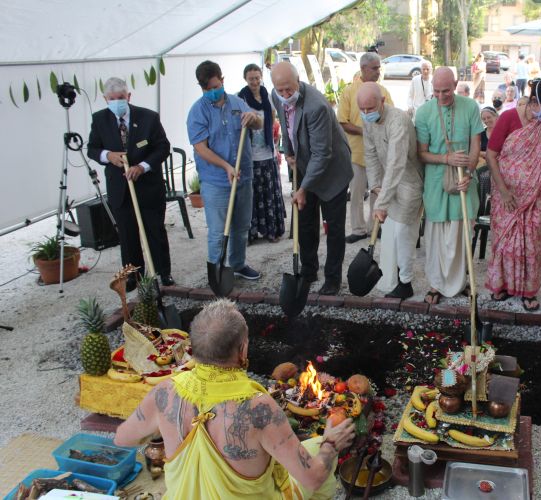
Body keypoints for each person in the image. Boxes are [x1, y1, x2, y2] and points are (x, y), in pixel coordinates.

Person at [114, 298, 355, 499]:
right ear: (243, 350)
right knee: (317, 451)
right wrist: (331, 444)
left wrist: (169, 429)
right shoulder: (258, 407)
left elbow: (123, 438)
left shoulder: (165, 392)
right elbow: (312, 478)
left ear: (192, 347)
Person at [271, 62, 353, 296]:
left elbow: (322, 154)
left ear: (299, 81)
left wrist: (303, 188)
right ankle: (308, 271)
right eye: (281, 90)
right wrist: (288, 151)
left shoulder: (316, 106)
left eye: (289, 89)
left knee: (333, 227)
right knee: (305, 222)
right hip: (305, 165)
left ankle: (333, 278)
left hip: (332, 171)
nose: (285, 95)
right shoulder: (276, 95)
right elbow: (287, 127)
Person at [88, 77, 173, 291]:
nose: (117, 101)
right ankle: (134, 275)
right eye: (112, 99)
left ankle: (163, 272)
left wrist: (143, 166)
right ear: (105, 99)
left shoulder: (148, 117)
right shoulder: (99, 120)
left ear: (129, 97)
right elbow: (92, 148)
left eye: (121, 98)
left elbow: (162, 147)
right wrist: (109, 156)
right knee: (127, 235)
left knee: (154, 230)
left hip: (148, 187)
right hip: (120, 189)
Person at [484, 80, 541, 311]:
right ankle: (503, 286)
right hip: (506, 195)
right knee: (506, 242)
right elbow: (490, 154)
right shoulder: (509, 118)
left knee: (532, 241)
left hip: (535, 193)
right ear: (534, 102)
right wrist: (505, 192)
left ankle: (528, 291)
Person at [187, 61, 264, 282]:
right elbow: (200, 148)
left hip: (243, 176)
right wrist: (226, 166)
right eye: (207, 89)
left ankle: (238, 265)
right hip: (216, 181)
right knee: (218, 231)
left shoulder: (238, 102)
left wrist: (254, 118)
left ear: (222, 80)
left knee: (241, 226)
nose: (212, 92)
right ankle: (218, 272)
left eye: (215, 86)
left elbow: (258, 124)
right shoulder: (197, 111)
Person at [415, 67, 483, 304]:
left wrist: (470, 171)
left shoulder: (471, 106)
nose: (441, 96)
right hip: (435, 182)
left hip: (465, 178)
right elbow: (421, 153)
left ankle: (459, 283)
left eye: (446, 90)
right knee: (435, 236)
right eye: (436, 91)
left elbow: (476, 143)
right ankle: (436, 284)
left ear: (455, 85)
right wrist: (446, 159)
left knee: (460, 233)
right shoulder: (423, 112)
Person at [358, 82, 424, 299]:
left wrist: (382, 203)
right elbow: (370, 154)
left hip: (409, 183)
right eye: (363, 109)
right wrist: (376, 186)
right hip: (387, 183)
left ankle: (405, 283)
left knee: (403, 235)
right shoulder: (367, 121)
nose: (366, 113)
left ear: (382, 101)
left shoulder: (398, 120)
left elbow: (396, 163)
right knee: (389, 236)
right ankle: (391, 278)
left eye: (370, 108)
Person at [337, 53, 394, 244]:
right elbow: (342, 122)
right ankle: (358, 229)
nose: (378, 71)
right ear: (363, 68)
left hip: (379, 154)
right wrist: (366, 131)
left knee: (378, 191)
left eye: (379, 68)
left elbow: (391, 118)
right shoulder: (349, 92)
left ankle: (374, 227)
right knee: (356, 193)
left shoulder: (383, 91)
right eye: (374, 68)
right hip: (356, 152)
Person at [238, 63, 286, 244]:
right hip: (250, 156)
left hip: (268, 153)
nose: (255, 82)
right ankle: (251, 233)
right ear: (246, 79)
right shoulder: (240, 98)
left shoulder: (269, 96)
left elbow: (274, 119)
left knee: (269, 193)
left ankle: (271, 231)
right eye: (251, 78)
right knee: (252, 196)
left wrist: (274, 141)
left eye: (257, 78)